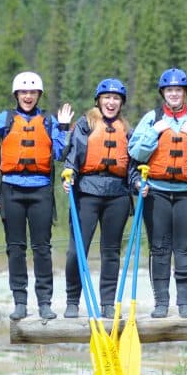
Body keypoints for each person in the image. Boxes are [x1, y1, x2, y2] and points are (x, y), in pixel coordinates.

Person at [0, 71, 73, 321]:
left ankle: (45, 303)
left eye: (32, 92)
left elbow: (60, 153)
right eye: (24, 92)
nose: (28, 96)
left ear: (39, 95)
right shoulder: (5, 119)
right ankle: (20, 302)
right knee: (15, 248)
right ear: (16, 95)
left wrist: (65, 127)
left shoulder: (48, 121)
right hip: (11, 191)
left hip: (40, 191)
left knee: (42, 249)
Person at [128, 68, 187, 318]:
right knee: (158, 248)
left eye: (178, 90)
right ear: (163, 93)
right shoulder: (151, 118)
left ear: (185, 93)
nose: (174, 94)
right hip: (156, 192)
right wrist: (154, 132)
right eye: (169, 90)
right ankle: (160, 303)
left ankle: (185, 303)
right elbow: (135, 152)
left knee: (185, 248)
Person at [61, 78, 137, 319]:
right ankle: (73, 300)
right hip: (87, 191)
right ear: (99, 100)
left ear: (121, 103)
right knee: (77, 250)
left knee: (111, 251)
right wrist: (69, 173)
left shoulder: (127, 129)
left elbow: (133, 164)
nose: (111, 102)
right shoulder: (85, 124)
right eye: (107, 98)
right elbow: (74, 153)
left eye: (116, 98)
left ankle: (107, 304)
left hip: (118, 195)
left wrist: (136, 182)